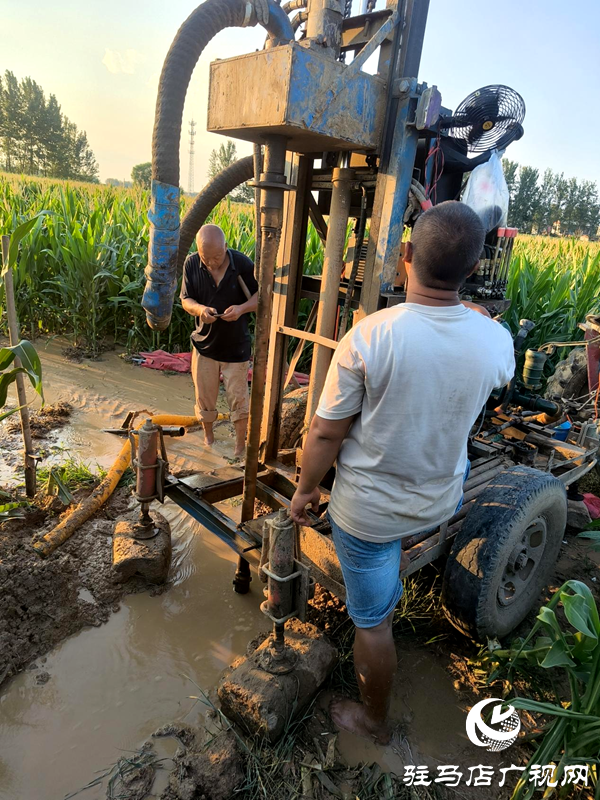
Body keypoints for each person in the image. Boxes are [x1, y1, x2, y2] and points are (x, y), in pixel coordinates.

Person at [290, 201, 515, 744]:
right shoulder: (495, 340)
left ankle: (375, 720)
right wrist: (479, 318)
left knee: (374, 623)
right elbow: (498, 368)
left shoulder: (370, 336)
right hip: (439, 501)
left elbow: (324, 434)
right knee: (385, 575)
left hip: (366, 516)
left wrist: (303, 493)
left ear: (406, 255)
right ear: (472, 270)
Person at [180, 224, 258, 458]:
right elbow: (185, 299)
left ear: (225, 247)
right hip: (204, 346)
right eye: (206, 258)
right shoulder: (192, 263)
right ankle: (209, 438)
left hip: (236, 348)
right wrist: (201, 310)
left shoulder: (242, 264)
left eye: (216, 256)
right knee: (204, 398)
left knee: (239, 400)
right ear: (197, 250)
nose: (212, 263)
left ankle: (239, 447)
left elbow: (262, 297)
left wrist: (242, 309)